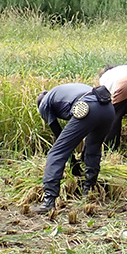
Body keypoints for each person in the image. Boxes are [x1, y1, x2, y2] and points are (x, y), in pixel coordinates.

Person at [34, 83, 114, 213]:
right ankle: (88, 191)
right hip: (108, 109)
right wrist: (73, 162)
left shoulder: (44, 104)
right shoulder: (61, 92)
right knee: (93, 149)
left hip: (87, 107)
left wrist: (71, 161)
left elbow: (59, 137)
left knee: (56, 153)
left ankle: (49, 200)